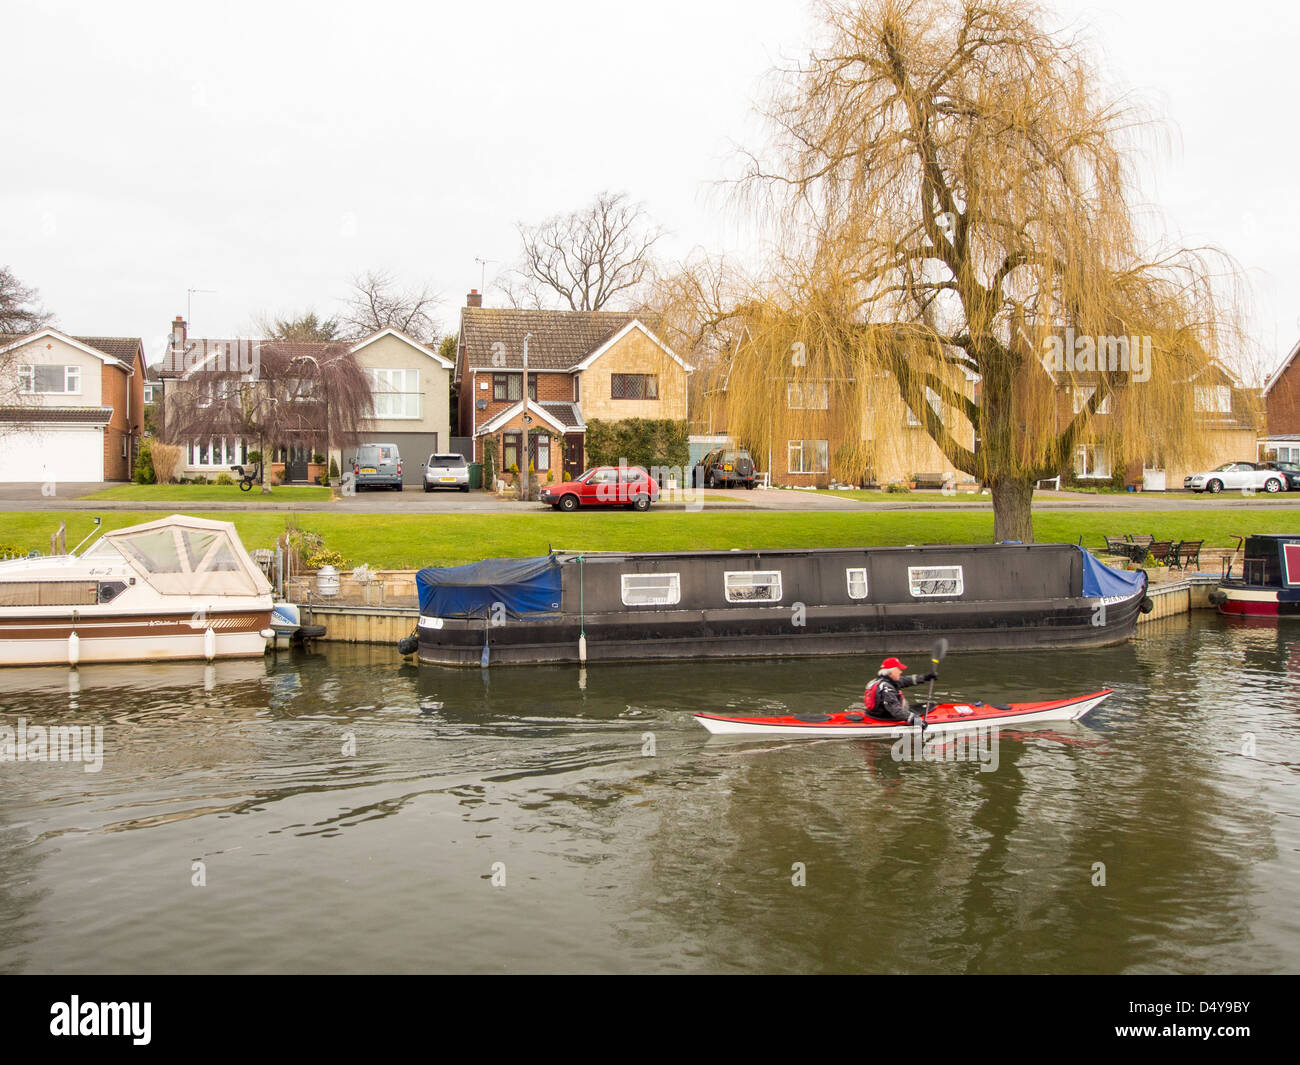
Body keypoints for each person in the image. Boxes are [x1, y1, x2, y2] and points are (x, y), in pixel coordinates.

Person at [864, 657, 937, 725]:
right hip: (886, 717)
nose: (900, 672)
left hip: (876, 713)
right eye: (898, 669)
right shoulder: (887, 689)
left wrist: (926, 677)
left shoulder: (879, 681)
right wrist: (917, 721)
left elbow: (906, 680)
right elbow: (896, 710)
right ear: (891, 672)